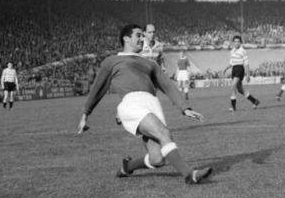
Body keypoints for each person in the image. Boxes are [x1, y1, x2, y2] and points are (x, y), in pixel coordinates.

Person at [77, 24, 212, 185]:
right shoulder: (112, 61)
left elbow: (167, 85)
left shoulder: (151, 64)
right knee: (163, 133)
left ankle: (127, 166)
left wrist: (185, 108)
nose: (142, 39)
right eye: (138, 35)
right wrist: (86, 114)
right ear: (126, 38)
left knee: (158, 159)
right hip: (132, 103)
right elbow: (97, 88)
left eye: (143, 36)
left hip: (152, 104)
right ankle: (189, 175)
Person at [225, 35, 260, 111]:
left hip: (240, 69)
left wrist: (248, 74)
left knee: (232, 86)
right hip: (234, 69)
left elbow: (246, 64)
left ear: (240, 43)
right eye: (235, 41)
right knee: (240, 90)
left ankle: (233, 107)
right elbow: (231, 63)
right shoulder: (232, 51)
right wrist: (225, 69)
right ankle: (255, 101)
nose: (236, 43)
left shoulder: (243, 51)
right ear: (233, 43)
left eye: (238, 41)